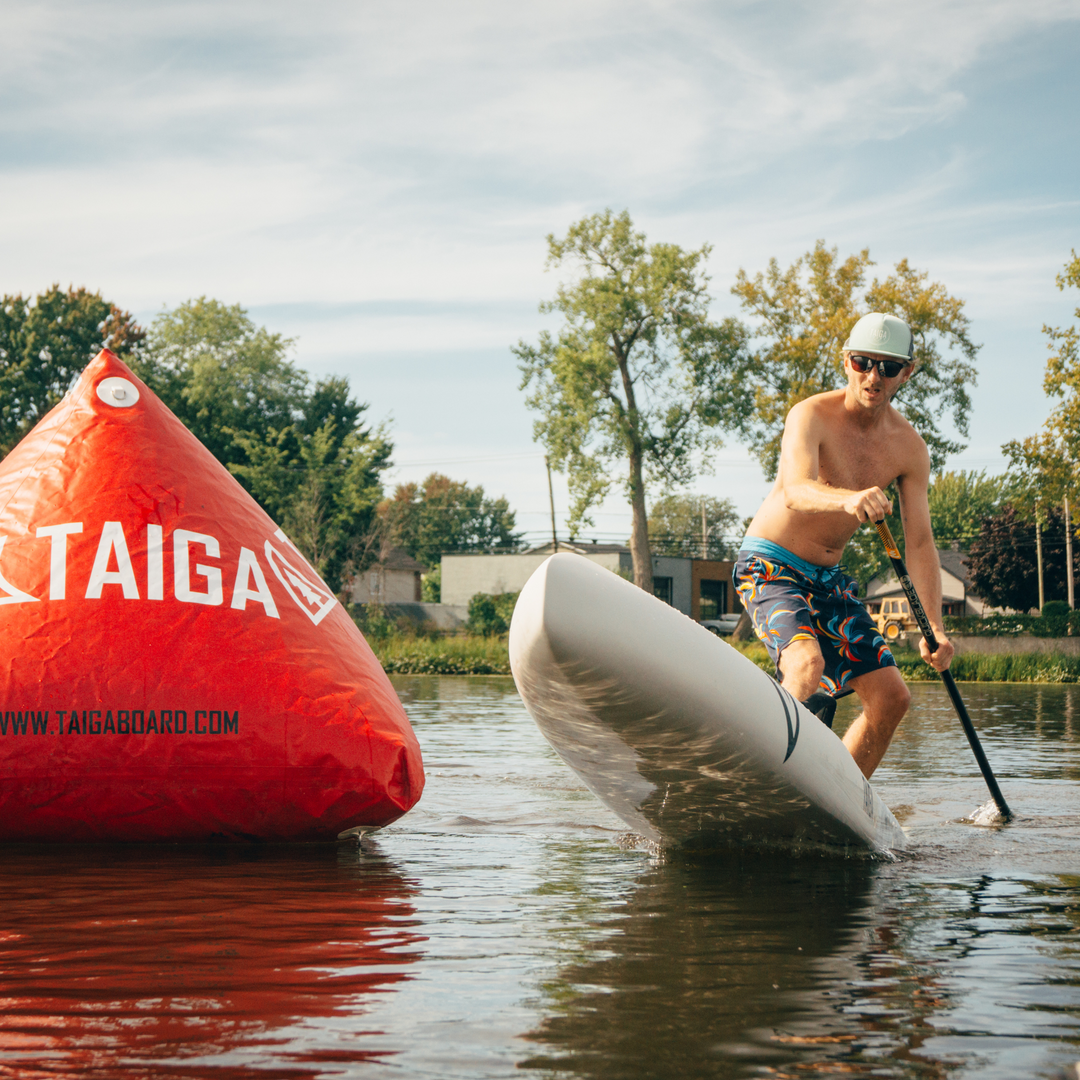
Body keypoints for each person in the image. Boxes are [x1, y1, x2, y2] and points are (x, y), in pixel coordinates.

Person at [734, 312, 954, 778]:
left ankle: (837, 799)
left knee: (892, 698)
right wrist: (849, 498)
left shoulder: (910, 449)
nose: (873, 377)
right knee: (806, 666)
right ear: (846, 361)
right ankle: (757, 783)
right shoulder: (810, 415)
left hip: (828, 580)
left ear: (906, 373)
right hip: (769, 565)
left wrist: (934, 626)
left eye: (888, 367)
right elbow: (795, 490)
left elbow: (919, 542)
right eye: (863, 363)